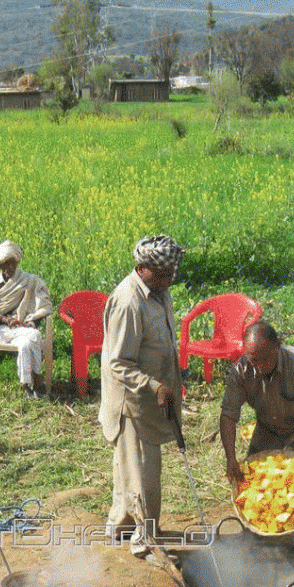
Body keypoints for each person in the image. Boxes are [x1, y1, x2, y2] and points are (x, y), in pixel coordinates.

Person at [99, 234, 185, 557]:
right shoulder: (128, 301)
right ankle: (144, 540)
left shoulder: (160, 293)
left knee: (128, 465)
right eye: (164, 273)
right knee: (143, 471)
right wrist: (153, 386)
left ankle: (120, 525)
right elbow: (118, 362)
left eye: (172, 272)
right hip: (131, 402)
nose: (170, 278)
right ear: (144, 268)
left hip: (152, 396)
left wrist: (170, 382)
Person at [219, 320, 294, 493]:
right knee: (255, 486)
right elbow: (228, 416)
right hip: (267, 429)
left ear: (278, 346)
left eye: (266, 359)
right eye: (254, 361)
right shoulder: (240, 372)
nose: (261, 367)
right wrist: (231, 459)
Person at [0, 240, 53, 399]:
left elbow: (40, 305)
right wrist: (1, 317)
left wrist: (30, 321)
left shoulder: (27, 279)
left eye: (13, 264)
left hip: (21, 328)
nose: (10, 268)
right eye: (6, 264)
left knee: (29, 339)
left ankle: (28, 384)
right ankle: (36, 381)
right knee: (32, 338)